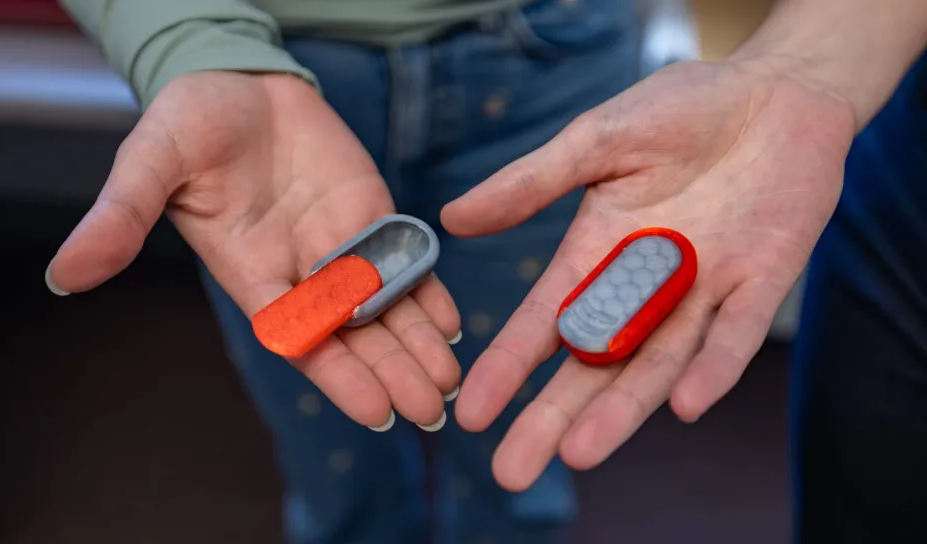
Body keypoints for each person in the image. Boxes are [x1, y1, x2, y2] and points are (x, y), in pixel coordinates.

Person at [48, 0, 927, 543]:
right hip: (265, 73)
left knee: (516, 436)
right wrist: (189, 41)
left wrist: (803, 68)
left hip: (558, 47)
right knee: (336, 456)